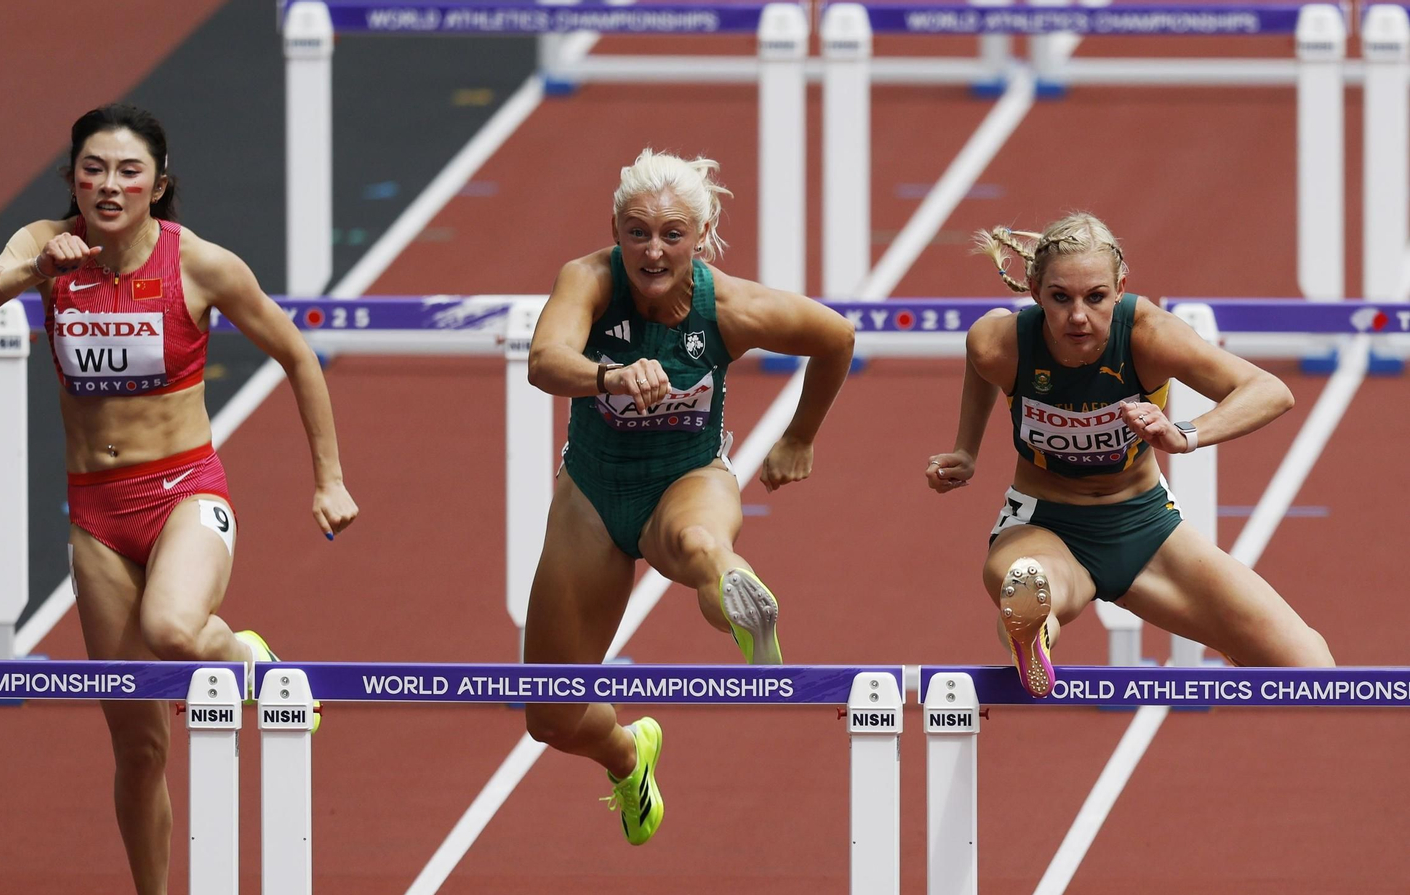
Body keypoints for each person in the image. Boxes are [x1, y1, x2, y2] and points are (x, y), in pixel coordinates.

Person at [0, 104, 357, 895]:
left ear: (157, 184)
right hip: (96, 517)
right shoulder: (45, 247)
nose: (109, 187)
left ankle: (240, 649)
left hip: (185, 495)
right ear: (72, 179)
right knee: (136, 749)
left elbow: (298, 355)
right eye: (93, 170)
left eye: (128, 172)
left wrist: (328, 478)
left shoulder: (199, 263)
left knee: (173, 628)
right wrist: (20, 269)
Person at [521, 149, 855, 846]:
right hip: (591, 491)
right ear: (614, 227)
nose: (652, 250)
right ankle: (628, 755)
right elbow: (545, 362)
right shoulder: (586, 280)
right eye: (638, 231)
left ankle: (741, 603)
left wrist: (800, 438)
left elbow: (835, 336)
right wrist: (609, 377)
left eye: (673, 234)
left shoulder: (726, 306)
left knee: (700, 543)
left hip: (689, 477)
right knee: (549, 716)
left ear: (702, 236)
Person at [925, 211, 1332, 698]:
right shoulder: (1001, 342)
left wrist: (1186, 432)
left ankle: (1043, 625)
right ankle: (1032, 637)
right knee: (1031, 585)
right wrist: (966, 450)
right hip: (1042, 524)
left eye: (1095, 298)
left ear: (1120, 289)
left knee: (1312, 668)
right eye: (1061, 298)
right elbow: (981, 364)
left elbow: (1269, 390)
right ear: (1034, 291)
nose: (1078, 316)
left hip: (1147, 527)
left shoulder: (1149, 336)